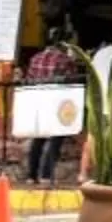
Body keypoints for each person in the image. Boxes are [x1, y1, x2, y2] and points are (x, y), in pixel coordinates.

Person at [19, 26, 80, 185]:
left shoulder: (35, 58)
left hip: (38, 102)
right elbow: (71, 81)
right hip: (57, 103)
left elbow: (29, 79)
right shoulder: (65, 60)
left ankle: (31, 176)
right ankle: (46, 175)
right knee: (55, 139)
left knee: (38, 139)